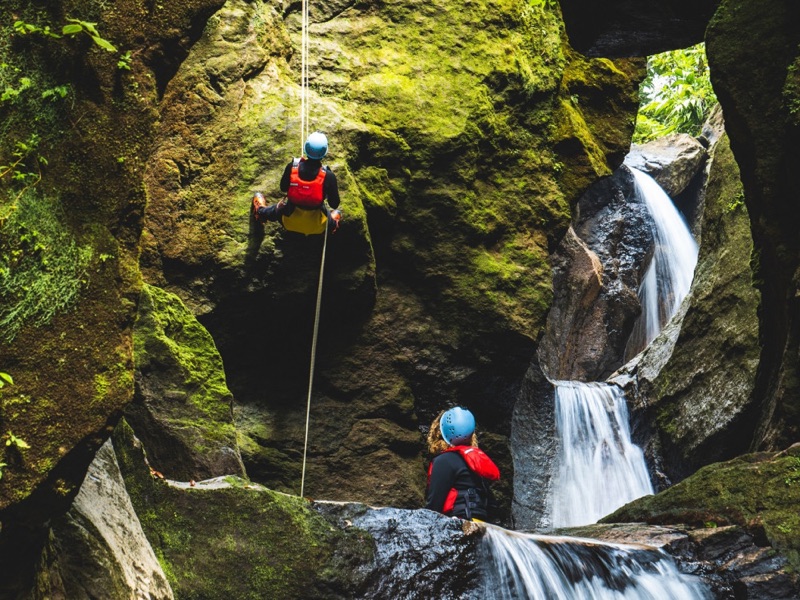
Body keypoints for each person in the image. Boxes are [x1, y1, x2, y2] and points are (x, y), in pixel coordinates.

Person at [252, 131, 341, 236]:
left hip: (288, 222)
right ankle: (333, 224)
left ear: (305, 149)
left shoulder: (292, 167)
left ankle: (260, 212)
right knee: (337, 213)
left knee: (277, 208)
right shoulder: (328, 176)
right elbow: (334, 204)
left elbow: (283, 188)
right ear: (324, 152)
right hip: (317, 226)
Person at [425, 406, 500, 522]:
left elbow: (434, 506)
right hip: (481, 524)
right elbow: (492, 506)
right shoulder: (475, 462)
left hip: (459, 524)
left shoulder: (444, 461)